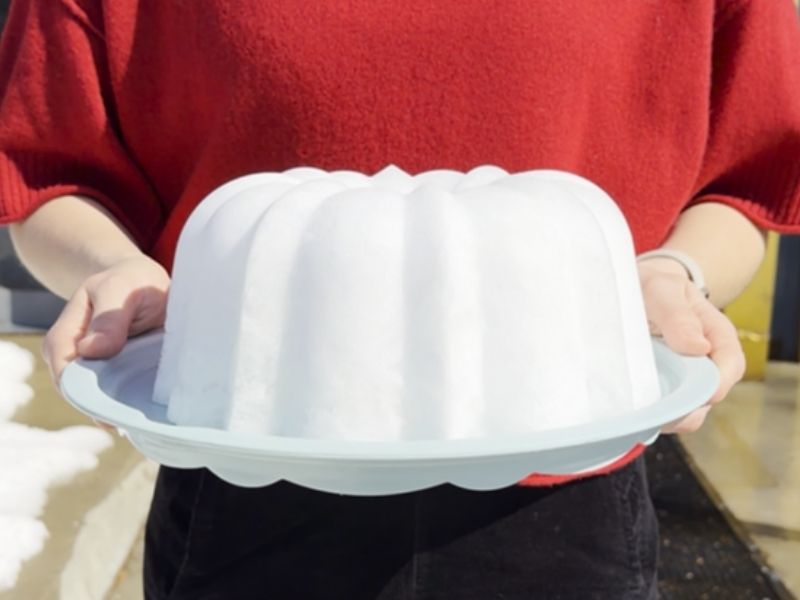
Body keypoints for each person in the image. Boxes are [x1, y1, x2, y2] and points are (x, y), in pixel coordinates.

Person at [2, 1, 799, 598]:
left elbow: (746, 172)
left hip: (566, 493)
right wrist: (115, 266)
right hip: (245, 469)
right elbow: (50, 167)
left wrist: (674, 272)